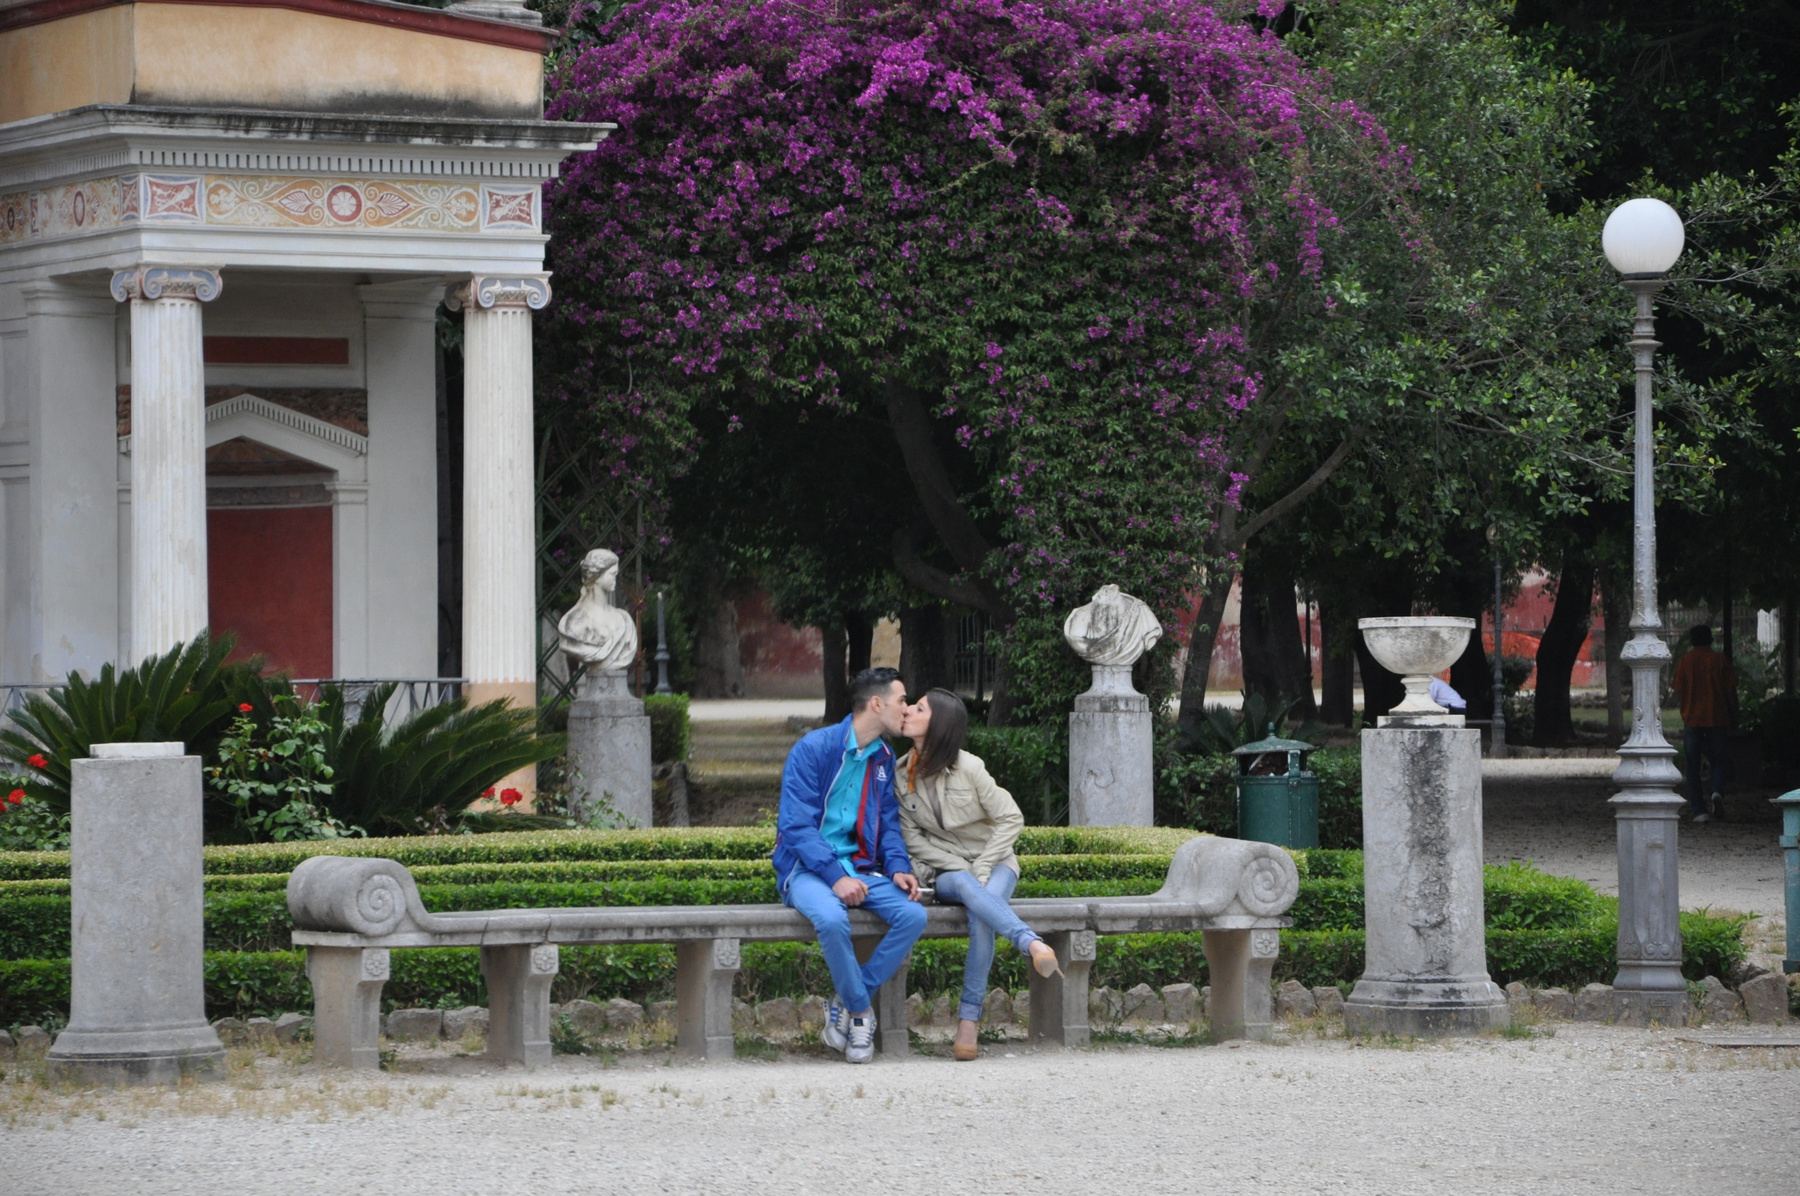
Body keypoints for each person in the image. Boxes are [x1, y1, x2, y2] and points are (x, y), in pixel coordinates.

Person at [896, 688, 1062, 1061]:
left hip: (996, 863)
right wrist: (962, 867)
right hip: (949, 872)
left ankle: (968, 1021)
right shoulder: (900, 775)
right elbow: (913, 840)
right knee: (970, 891)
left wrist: (984, 865)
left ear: (938, 724)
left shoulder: (969, 767)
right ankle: (1031, 944)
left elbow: (1011, 817)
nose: (907, 711)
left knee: (980, 915)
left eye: (918, 708)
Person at [773, 666, 927, 1063]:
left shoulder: (883, 758)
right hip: (807, 870)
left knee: (913, 916)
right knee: (831, 919)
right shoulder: (814, 748)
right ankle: (861, 1014)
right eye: (901, 700)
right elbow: (795, 826)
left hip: (860, 869)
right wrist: (835, 876)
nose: (906, 708)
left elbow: (887, 824)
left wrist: (898, 867)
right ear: (876, 704)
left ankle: (845, 1000)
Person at [1670, 624, 1736, 823]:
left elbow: (1678, 690)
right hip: (1717, 716)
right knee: (1719, 759)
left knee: (1692, 766)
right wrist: (1735, 715)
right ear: (1711, 640)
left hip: (1692, 718)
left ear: (1691, 641)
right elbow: (1730, 691)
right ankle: (1717, 791)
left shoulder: (1685, 661)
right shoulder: (1719, 660)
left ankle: (1699, 811)